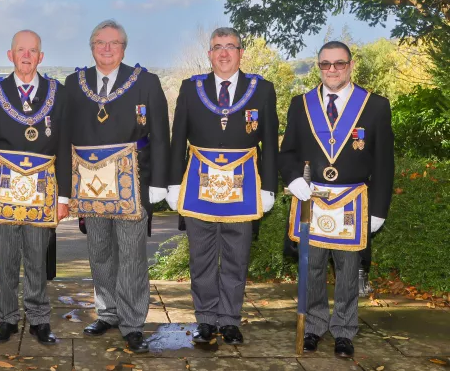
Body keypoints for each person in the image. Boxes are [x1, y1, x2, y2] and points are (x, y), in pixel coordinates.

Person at [59, 19, 170, 353]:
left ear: (124, 47)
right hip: (89, 185)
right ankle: (107, 312)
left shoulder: (147, 82)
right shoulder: (73, 84)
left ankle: (133, 322)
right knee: (99, 250)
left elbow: (162, 136)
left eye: (114, 43)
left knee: (132, 253)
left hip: (133, 184)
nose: (107, 49)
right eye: (100, 42)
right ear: (91, 47)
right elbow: (64, 137)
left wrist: (159, 183)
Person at [280, 41, 394, 358]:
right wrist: (292, 178)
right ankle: (315, 326)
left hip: (354, 201)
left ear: (350, 65)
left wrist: (380, 208)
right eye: (325, 64)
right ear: (318, 67)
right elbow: (287, 151)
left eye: (339, 64)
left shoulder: (375, 106)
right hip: (312, 199)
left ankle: (344, 330)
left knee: (347, 270)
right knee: (312, 267)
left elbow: (385, 163)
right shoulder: (300, 104)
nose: (332, 70)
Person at [166, 27, 278, 346]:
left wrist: (268, 187)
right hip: (199, 184)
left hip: (243, 187)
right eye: (218, 47)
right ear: (209, 54)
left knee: (236, 256)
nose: (225, 53)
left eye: (231, 47)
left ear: (241, 53)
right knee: (201, 256)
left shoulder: (262, 89)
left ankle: (229, 319)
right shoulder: (191, 88)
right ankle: (205, 319)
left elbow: (270, 142)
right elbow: (178, 141)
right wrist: (174, 184)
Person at [0, 30, 69, 345]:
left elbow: (64, 146)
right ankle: (7, 319)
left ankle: (40, 320)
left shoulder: (59, 92)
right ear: (10, 55)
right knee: (7, 260)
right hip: (0, 194)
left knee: (37, 259)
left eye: (32, 51)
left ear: (41, 57)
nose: (26, 56)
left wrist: (64, 196)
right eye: (20, 50)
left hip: (43, 194)